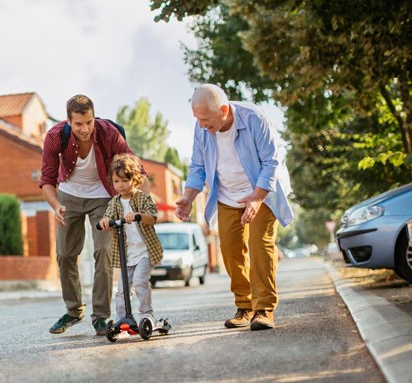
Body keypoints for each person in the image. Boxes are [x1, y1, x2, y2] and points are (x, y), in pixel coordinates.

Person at [176, 83, 293, 331]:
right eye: (197, 119)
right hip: (227, 194)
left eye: (205, 119)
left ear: (225, 110)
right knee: (229, 250)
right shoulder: (202, 129)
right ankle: (245, 305)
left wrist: (257, 197)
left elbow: (271, 162)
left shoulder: (254, 119)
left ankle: (263, 309)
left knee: (260, 245)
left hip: (260, 190)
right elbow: (197, 166)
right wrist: (188, 196)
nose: (201, 125)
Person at [40, 94, 149, 336]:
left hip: (102, 196)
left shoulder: (108, 132)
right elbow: (47, 180)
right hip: (68, 195)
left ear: (93, 117)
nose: (85, 129)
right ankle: (73, 310)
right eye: (78, 124)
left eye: (88, 122)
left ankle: (101, 316)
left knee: (102, 251)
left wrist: (143, 207)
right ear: (68, 121)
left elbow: (137, 167)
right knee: (65, 254)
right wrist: (56, 205)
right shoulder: (55, 136)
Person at [99, 154, 162, 323]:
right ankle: (122, 319)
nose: (120, 185)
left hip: (145, 252)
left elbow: (152, 217)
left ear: (134, 179)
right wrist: (105, 221)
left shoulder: (143, 198)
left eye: (124, 181)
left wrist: (138, 215)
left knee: (140, 281)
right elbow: (108, 216)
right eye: (116, 181)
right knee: (122, 290)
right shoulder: (114, 202)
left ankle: (147, 315)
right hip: (127, 255)